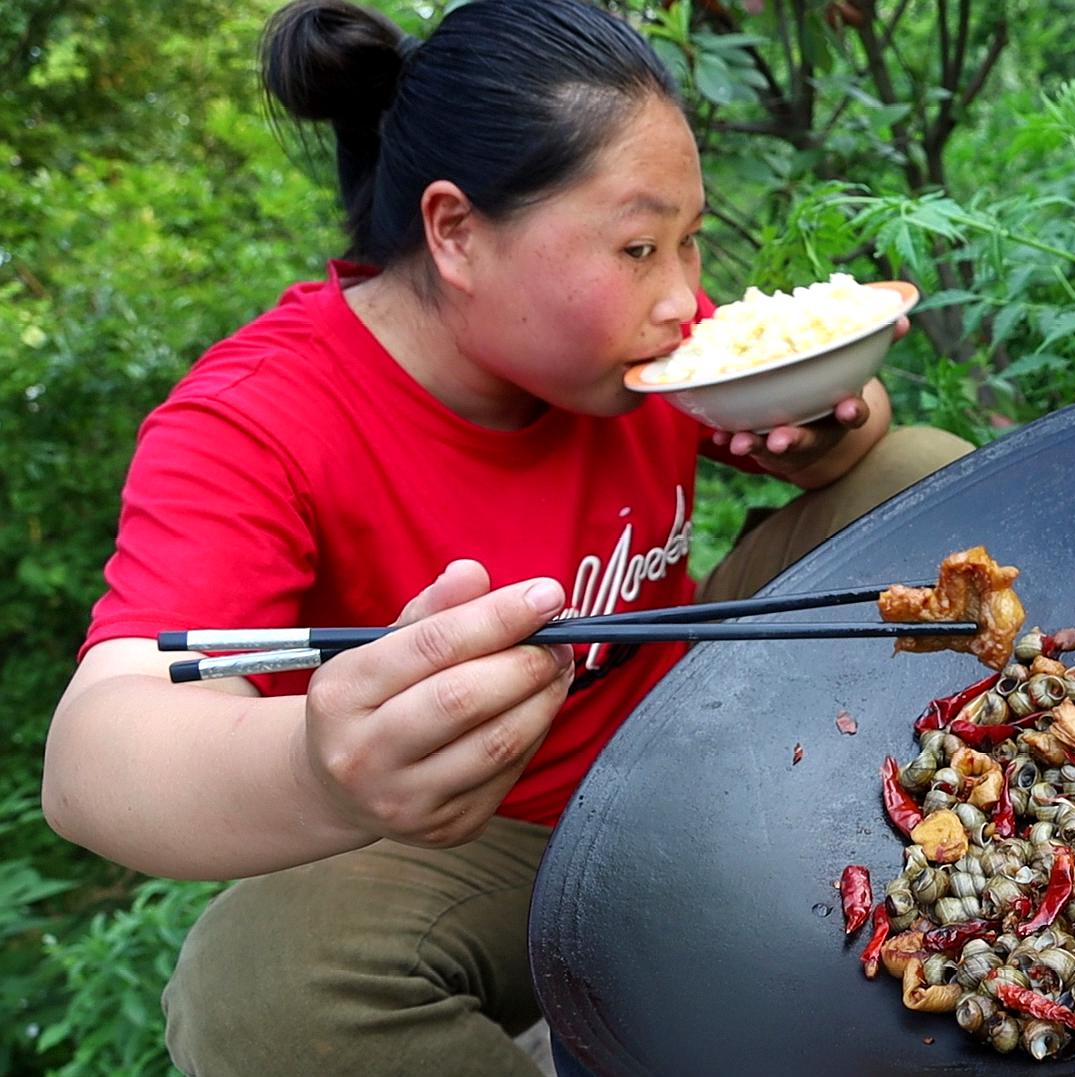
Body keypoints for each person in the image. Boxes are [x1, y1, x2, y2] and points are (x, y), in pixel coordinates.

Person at [36, 1, 969, 1072]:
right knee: (255, 989)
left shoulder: (627, 335)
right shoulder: (259, 418)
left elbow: (856, 458)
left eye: (689, 240)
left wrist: (825, 434)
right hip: (491, 842)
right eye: (636, 245)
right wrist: (318, 775)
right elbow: (95, 750)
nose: (680, 295)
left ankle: (952, 855)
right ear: (457, 233)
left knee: (920, 477)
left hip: (703, 731)